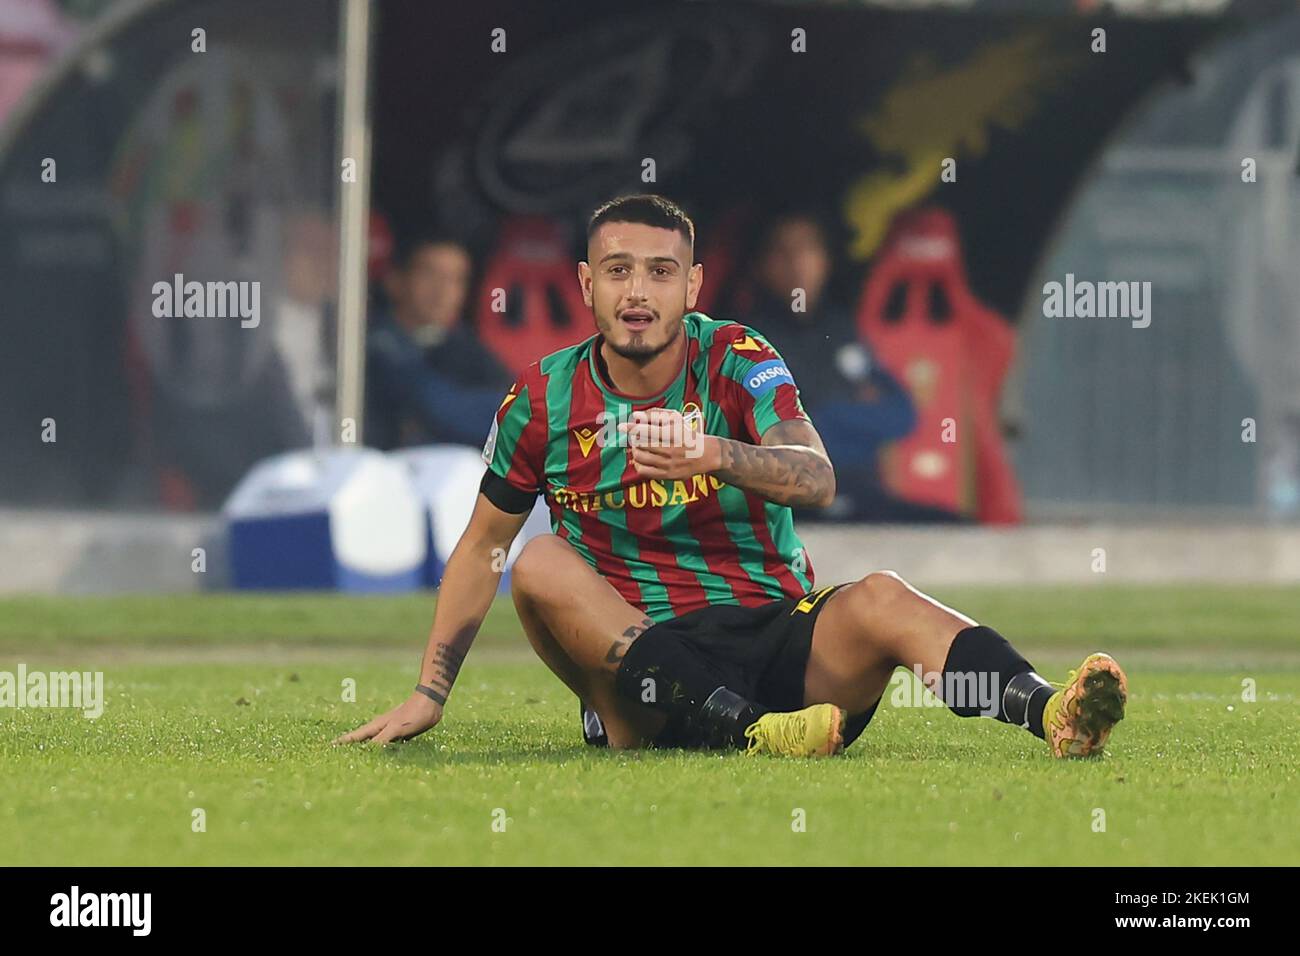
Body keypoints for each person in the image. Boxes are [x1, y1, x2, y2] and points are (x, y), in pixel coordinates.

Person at [337, 194, 1126, 759]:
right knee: (539, 561)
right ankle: (753, 734)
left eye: (658, 272)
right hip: (644, 680)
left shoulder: (738, 359)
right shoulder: (540, 399)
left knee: (882, 594)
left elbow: (816, 479)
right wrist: (430, 692)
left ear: (693, 286)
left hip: (781, 644)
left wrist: (715, 453)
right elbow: (483, 550)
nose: (637, 292)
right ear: (585, 285)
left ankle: (1049, 710)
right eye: (617, 271)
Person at [746, 211, 958, 522]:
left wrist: (829, 410)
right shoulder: (749, 337)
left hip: (864, 492)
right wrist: (847, 409)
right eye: (783, 251)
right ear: (761, 266)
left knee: (954, 526)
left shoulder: (842, 329)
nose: (797, 263)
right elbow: (795, 430)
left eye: (807, 249)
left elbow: (902, 415)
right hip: (796, 501)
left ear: (825, 260)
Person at [366, 231, 510, 450]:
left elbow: (515, 417)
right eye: (429, 274)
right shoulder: (369, 345)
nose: (442, 291)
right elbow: (442, 410)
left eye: (455, 280)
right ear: (394, 280)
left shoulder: (467, 347)